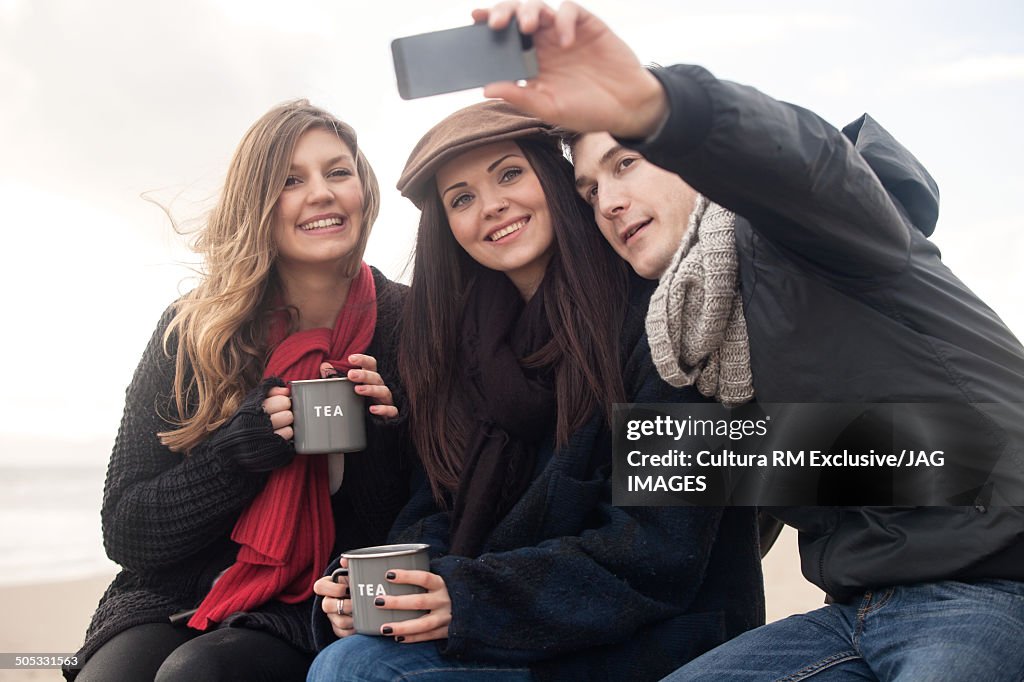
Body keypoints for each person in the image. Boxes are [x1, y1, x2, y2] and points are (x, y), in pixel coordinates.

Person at [478, 2, 1024, 681]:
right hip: (851, 609)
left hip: (993, 585)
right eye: (589, 191)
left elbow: (805, 163)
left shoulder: (809, 234)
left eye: (627, 164)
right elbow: (681, 509)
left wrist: (658, 107)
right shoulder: (687, 333)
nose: (608, 202)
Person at [306, 100, 764, 682]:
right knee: (348, 653)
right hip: (508, 633)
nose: (492, 205)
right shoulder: (456, 350)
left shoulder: (660, 319)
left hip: (649, 642)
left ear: (554, 179)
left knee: (358, 671)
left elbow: (657, 551)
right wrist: (378, 593)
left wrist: (470, 599)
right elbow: (434, 511)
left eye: (509, 173)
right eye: (462, 198)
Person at [66, 100, 415, 682]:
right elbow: (127, 531)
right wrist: (237, 453)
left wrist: (383, 436)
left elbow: (413, 528)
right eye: (290, 181)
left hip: (317, 604)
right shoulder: (195, 328)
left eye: (337, 172)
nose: (321, 193)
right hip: (175, 593)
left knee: (199, 675)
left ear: (363, 189)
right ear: (257, 203)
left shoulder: (410, 323)